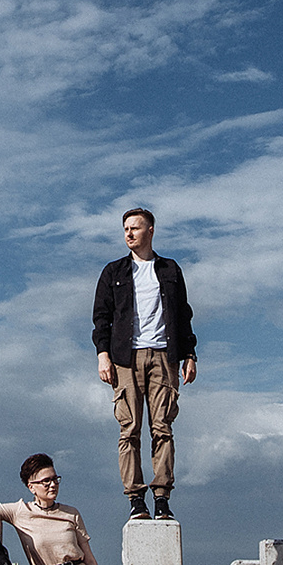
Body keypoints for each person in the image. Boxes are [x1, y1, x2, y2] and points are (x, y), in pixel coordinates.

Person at [90, 206, 196, 520]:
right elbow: (101, 318)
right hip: (125, 358)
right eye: (125, 230)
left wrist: (189, 355)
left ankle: (161, 497)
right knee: (129, 429)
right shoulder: (114, 272)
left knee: (163, 427)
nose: (129, 235)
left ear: (150, 230)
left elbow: (183, 315)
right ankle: (136, 498)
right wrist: (103, 354)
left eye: (135, 229)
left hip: (164, 355)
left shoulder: (169, 270)